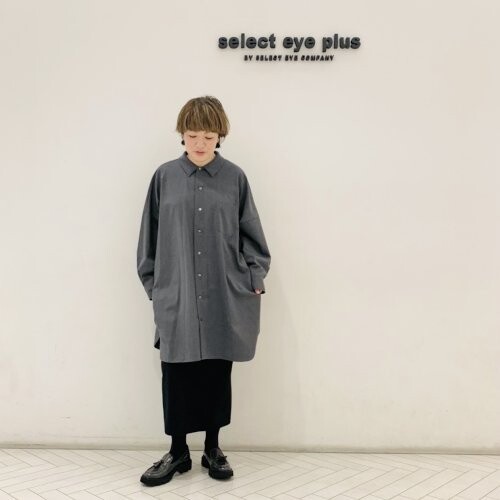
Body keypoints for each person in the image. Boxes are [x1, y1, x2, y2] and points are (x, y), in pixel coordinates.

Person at [136, 96, 271, 486]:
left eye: (208, 136)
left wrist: (253, 279)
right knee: (176, 372)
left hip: (223, 293)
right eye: (193, 134)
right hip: (175, 293)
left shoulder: (235, 179)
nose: (199, 143)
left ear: (220, 136)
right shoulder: (164, 178)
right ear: (182, 134)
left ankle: (213, 448)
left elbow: (252, 236)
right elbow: (148, 239)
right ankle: (178, 451)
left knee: (216, 370)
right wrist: (156, 287)